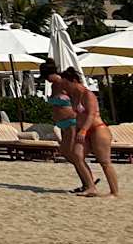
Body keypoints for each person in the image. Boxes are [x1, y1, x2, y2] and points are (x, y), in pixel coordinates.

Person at [39, 60, 96, 194]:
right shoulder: (54, 85)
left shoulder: (64, 83)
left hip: (71, 121)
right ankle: (87, 182)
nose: (46, 80)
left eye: (46, 77)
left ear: (50, 74)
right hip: (63, 123)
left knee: (73, 154)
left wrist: (78, 107)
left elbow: (80, 92)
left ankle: (89, 183)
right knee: (67, 153)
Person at [61, 65, 119, 198]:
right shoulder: (73, 96)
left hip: (97, 129)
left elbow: (91, 114)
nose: (64, 87)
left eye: (66, 84)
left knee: (104, 162)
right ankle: (91, 186)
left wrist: (83, 130)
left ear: (74, 81)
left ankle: (114, 192)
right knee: (76, 155)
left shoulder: (88, 94)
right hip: (83, 130)